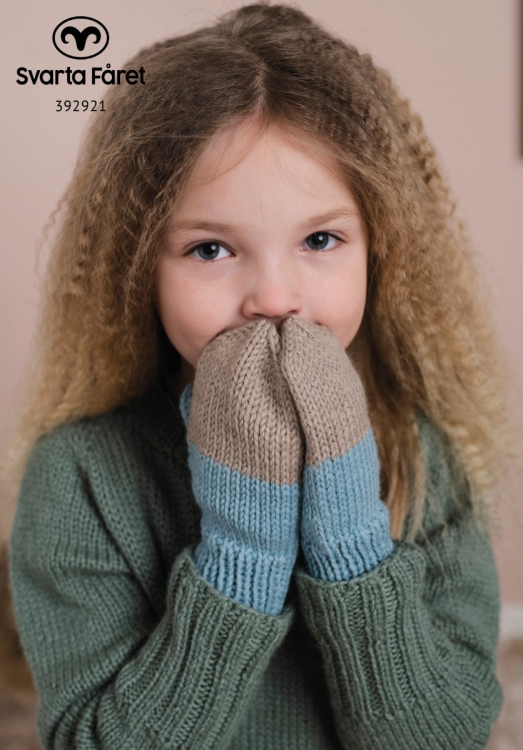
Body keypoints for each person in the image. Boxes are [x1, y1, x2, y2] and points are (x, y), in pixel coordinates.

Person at [2, 2, 522, 748]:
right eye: (211, 249)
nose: (274, 299)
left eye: (319, 238)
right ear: (136, 268)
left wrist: (349, 543)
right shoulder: (80, 475)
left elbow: (443, 736)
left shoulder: (422, 456)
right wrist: (240, 559)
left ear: (379, 250)